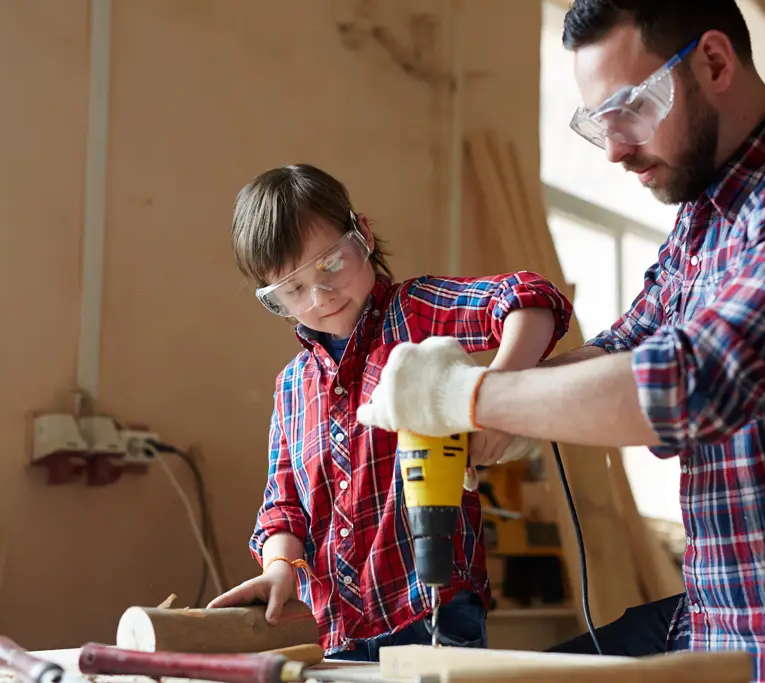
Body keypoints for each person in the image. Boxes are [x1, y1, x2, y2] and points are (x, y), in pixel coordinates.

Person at [354, 1, 765, 681]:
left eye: (628, 109)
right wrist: (493, 411)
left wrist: (466, 393)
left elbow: (692, 383)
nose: (617, 147)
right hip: (719, 626)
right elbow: (624, 345)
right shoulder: (703, 220)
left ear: (714, 61)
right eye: (599, 125)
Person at [207, 163, 574, 661]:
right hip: (335, 629)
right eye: (293, 291)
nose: (321, 297)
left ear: (365, 235)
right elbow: (283, 505)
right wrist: (279, 570)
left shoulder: (414, 312)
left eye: (331, 265)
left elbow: (533, 299)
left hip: (432, 611)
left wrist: (495, 401)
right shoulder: (292, 386)